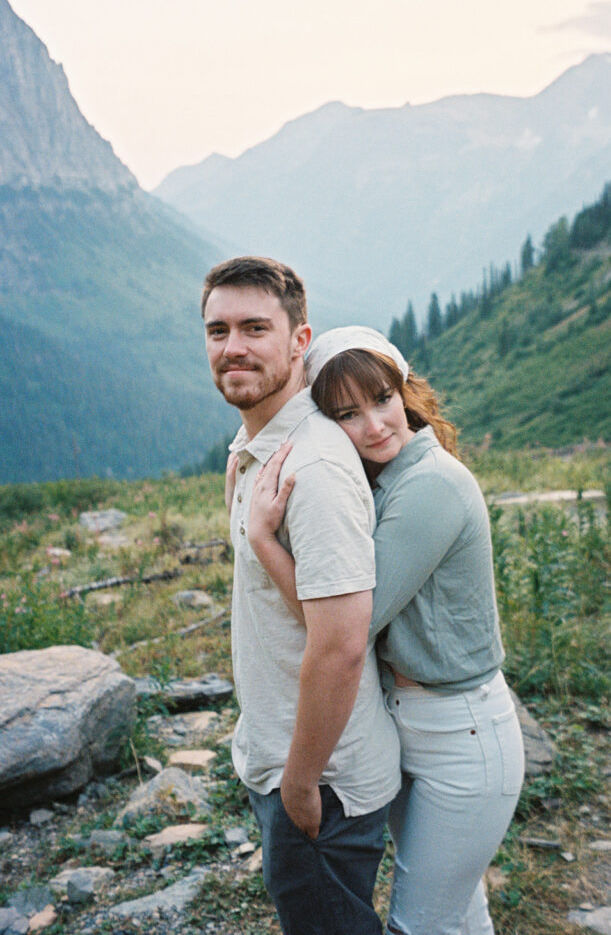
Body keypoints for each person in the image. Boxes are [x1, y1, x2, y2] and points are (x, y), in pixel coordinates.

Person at [245, 325, 525, 935]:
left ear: (407, 394)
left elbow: (353, 625)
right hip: (414, 721)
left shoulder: (431, 486)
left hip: (461, 731)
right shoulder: (385, 479)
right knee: (459, 907)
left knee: (422, 921)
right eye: (347, 413)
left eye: (382, 400)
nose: (373, 425)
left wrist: (262, 539)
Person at [202, 260, 401, 935]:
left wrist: (299, 781)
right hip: (289, 756)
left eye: (256, 327)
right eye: (218, 329)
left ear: (299, 340)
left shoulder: (311, 468)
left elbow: (343, 645)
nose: (233, 346)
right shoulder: (258, 446)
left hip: (324, 779)